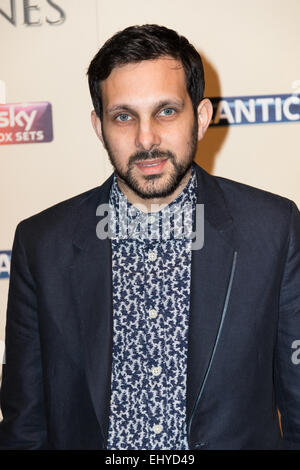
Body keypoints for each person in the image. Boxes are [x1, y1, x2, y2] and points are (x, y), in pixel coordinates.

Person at [0, 24, 299, 451]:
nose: (146, 139)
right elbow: (23, 427)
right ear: (99, 127)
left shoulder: (273, 229)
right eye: (123, 116)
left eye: (166, 111)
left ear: (200, 118)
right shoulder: (41, 245)